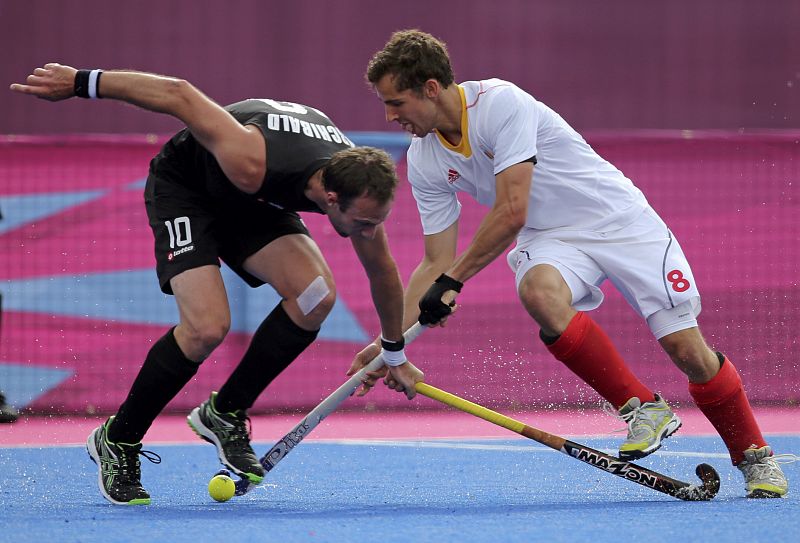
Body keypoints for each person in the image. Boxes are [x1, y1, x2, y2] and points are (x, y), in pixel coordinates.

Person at [352, 29, 793, 498]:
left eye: (396, 102)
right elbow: (434, 262)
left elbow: (510, 212)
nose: (389, 115)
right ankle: (642, 408)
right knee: (538, 291)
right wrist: (389, 343)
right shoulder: (423, 160)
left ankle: (755, 456)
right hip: (550, 236)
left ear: (431, 88)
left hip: (618, 219)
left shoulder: (501, 104)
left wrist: (453, 280)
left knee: (687, 350)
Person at [10, 63, 422, 505]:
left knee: (315, 295)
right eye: (362, 223)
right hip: (188, 189)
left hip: (250, 203)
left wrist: (393, 350)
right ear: (330, 198)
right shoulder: (252, 158)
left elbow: (383, 272)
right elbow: (179, 94)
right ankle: (119, 438)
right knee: (206, 327)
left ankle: (224, 412)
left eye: (375, 223)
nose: (368, 231)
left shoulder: (356, 190)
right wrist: (79, 82)